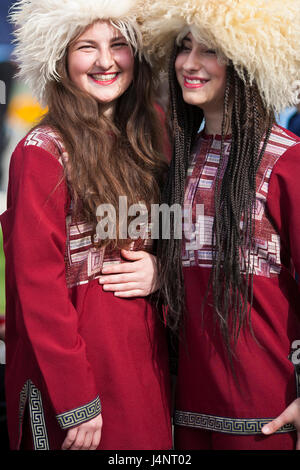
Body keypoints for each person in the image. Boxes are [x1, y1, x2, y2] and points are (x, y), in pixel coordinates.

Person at [1, 0, 172, 451]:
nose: (104, 61)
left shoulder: (153, 134)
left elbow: (181, 231)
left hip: (146, 362)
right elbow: (37, 285)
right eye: (86, 47)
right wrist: (76, 397)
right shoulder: (41, 153)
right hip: (77, 378)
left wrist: (161, 270)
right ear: (60, 59)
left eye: (118, 44)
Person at [141, 0, 300, 450]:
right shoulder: (175, 160)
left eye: (210, 50)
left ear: (249, 59)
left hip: (267, 416)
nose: (189, 64)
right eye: (184, 47)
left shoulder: (288, 160)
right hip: (183, 407)